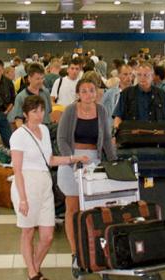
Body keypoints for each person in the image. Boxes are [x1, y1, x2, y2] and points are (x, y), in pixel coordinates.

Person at [10, 95, 89, 280]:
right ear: (26, 114)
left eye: (41, 110)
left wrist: (74, 158)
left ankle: (34, 269)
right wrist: (23, 198)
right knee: (28, 232)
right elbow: (17, 169)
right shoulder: (19, 135)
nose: (39, 115)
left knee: (47, 236)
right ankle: (33, 273)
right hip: (26, 185)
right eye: (34, 111)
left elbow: (51, 159)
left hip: (45, 184)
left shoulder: (45, 130)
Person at [57, 79, 117, 255]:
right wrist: (74, 160)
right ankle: (76, 252)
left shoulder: (102, 110)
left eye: (91, 90)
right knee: (72, 207)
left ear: (97, 92)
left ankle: (92, 250)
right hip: (71, 161)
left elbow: (106, 139)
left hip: (93, 162)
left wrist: (113, 161)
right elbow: (61, 139)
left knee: (93, 209)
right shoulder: (70, 111)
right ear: (78, 94)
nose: (88, 94)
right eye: (84, 91)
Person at [112, 61, 165, 129]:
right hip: (132, 136)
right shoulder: (126, 94)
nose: (142, 78)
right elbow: (117, 118)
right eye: (139, 75)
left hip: (156, 136)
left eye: (146, 75)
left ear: (152, 76)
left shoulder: (161, 94)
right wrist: (116, 133)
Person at [101, 64, 132, 128]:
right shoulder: (110, 93)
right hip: (112, 128)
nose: (129, 77)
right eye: (125, 74)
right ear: (119, 75)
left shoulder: (136, 93)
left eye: (130, 74)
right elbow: (102, 111)